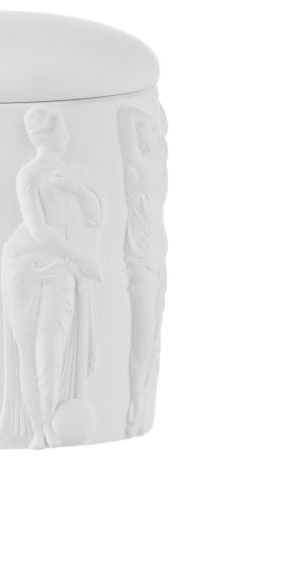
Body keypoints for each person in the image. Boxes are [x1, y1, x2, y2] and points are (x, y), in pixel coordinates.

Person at [0, 107, 104, 449]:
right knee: (28, 349)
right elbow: (37, 229)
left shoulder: (74, 173)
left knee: (50, 344)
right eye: (64, 129)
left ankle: (50, 426)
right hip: (24, 263)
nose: (68, 135)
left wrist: (79, 190)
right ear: (53, 133)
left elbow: (96, 217)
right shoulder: (27, 175)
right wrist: (81, 259)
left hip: (59, 266)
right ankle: (38, 429)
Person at [117, 105, 168, 438]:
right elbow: (124, 120)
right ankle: (135, 408)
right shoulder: (138, 170)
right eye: (145, 132)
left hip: (152, 261)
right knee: (141, 340)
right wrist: (143, 114)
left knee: (147, 342)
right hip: (141, 267)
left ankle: (139, 408)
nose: (148, 136)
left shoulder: (154, 172)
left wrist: (150, 119)